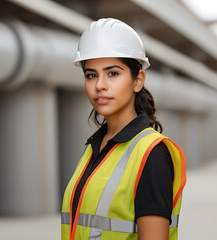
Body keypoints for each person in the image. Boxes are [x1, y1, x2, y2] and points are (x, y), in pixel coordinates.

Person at [61, 18, 186, 240]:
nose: (100, 85)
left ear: (138, 80)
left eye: (113, 73)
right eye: (91, 75)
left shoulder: (152, 154)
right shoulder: (94, 149)